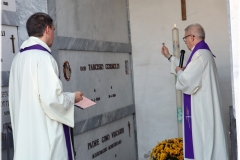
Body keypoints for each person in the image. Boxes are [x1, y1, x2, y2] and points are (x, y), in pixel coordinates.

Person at [9, 12, 83, 160]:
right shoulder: (44, 59)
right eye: (54, 29)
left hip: (26, 137)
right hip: (46, 138)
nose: (54, 34)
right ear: (47, 29)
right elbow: (52, 100)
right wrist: (72, 97)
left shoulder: (17, 59)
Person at [161, 23, 229, 160]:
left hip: (202, 111)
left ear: (192, 37)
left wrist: (180, 72)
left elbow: (186, 81)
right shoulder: (202, 53)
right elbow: (188, 71)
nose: (185, 41)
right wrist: (169, 57)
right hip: (203, 107)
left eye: (185, 38)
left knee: (204, 145)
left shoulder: (200, 55)